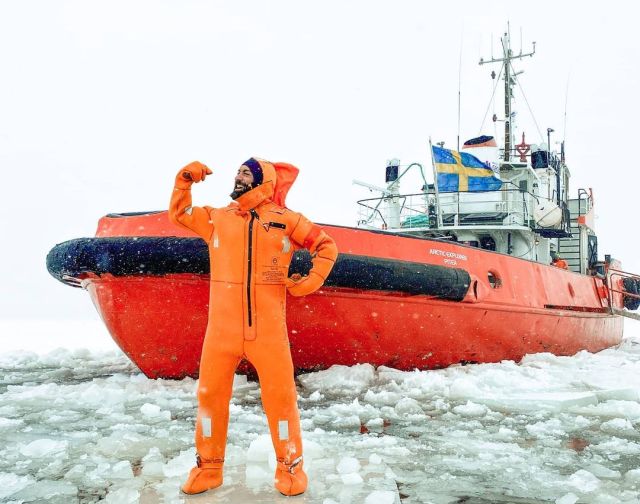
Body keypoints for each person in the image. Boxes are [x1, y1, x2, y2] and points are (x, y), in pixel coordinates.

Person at [169, 158, 338, 497]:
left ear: (263, 182)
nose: (238, 177)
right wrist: (184, 180)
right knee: (209, 398)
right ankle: (209, 468)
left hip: (268, 333)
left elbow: (326, 246)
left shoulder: (286, 220)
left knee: (281, 400)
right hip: (221, 333)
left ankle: (290, 469)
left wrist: (308, 283)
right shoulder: (217, 218)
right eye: (238, 173)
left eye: (246, 173)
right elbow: (180, 213)